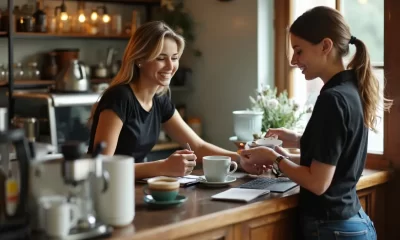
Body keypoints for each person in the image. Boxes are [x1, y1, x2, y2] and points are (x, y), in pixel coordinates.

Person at [239, 6, 392, 240]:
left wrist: (274, 158)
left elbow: (318, 183)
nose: (292, 60)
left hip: (333, 229)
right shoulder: (350, 90)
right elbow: (332, 159)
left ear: (325, 46)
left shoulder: (332, 99)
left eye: (298, 51)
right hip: (354, 222)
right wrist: (291, 148)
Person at [88, 21, 259, 179]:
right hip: (106, 194)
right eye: (161, 58)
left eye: (174, 58)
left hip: (134, 190)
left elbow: (197, 146)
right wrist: (162, 167)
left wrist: (241, 159)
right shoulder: (119, 98)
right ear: (139, 59)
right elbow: (102, 166)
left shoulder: (159, 100)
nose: (170, 66)